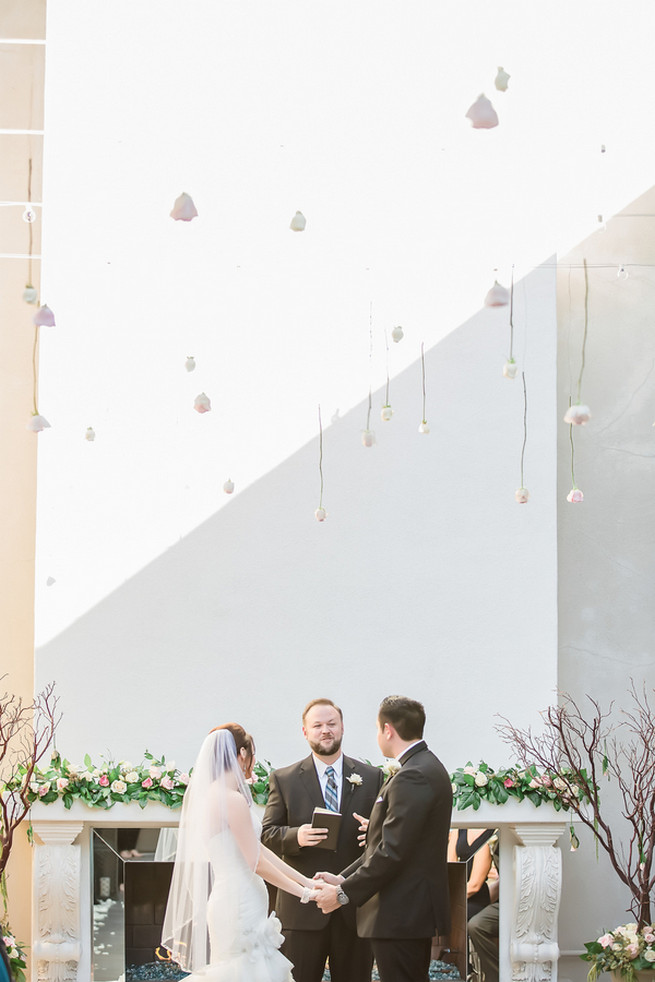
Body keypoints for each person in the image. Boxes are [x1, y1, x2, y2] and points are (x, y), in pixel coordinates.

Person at [161, 723, 319, 981]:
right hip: (240, 906)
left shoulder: (214, 796)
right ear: (243, 754)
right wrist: (304, 894)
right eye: (252, 755)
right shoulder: (231, 800)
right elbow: (255, 862)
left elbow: (261, 851)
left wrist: (306, 882)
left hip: (234, 902)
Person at [313, 695, 452, 982]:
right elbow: (387, 843)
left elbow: (392, 851)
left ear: (387, 730)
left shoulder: (413, 775)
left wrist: (342, 895)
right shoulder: (421, 767)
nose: (378, 735)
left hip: (402, 914)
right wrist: (342, 878)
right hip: (406, 914)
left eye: (378, 729)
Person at [261, 698, 384, 982]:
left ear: (342, 728)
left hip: (354, 907)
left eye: (331, 724)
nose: (325, 730)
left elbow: (385, 837)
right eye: (317, 725)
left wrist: (373, 832)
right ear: (305, 732)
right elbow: (266, 835)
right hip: (302, 908)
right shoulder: (284, 779)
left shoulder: (372, 776)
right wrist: (297, 836)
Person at [447, 828, 494, 920]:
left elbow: (475, 886)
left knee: (450, 916)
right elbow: (450, 865)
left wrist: (449, 899)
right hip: (455, 893)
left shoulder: (490, 833)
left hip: (475, 899)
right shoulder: (459, 829)